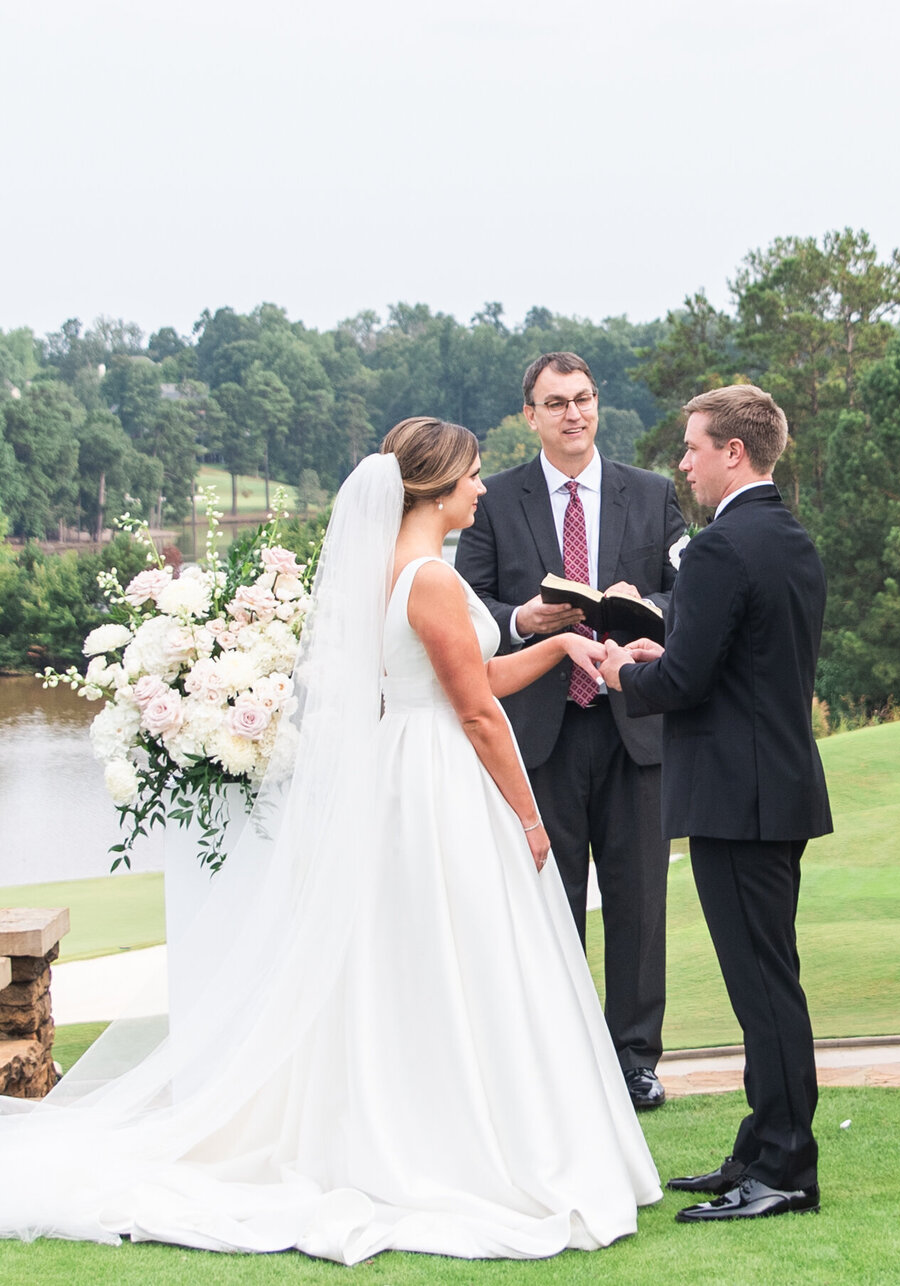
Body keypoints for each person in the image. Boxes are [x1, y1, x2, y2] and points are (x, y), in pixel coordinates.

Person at [0, 420, 661, 1263]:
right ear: (434, 488)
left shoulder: (401, 570)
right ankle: (457, 1138)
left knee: (423, 951)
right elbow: (475, 711)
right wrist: (529, 818)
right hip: (436, 775)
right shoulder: (428, 578)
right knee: (458, 947)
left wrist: (561, 642)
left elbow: (479, 676)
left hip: (412, 762)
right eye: (470, 476)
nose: (481, 488)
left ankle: (427, 1113)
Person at [600, 384, 832, 1222]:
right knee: (768, 979)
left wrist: (622, 673)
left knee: (764, 988)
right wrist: (660, 649)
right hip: (774, 787)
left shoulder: (719, 548)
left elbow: (687, 682)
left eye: (693, 448)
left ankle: (786, 1170)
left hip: (737, 798)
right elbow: (742, 658)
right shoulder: (788, 537)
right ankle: (760, 1148)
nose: (684, 464)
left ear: (734, 451)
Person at [456, 351, 686, 1111]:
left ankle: (635, 1062)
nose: (573, 414)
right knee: (547, 904)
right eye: (555, 403)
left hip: (633, 727)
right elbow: (466, 605)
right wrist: (523, 619)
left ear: (597, 404)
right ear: (530, 416)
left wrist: (644, 606)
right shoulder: (495, 501)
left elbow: (689, 594)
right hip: (537, 734)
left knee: (639, 904)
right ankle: (556, 1060)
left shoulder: (650, 493)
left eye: (583, 399)